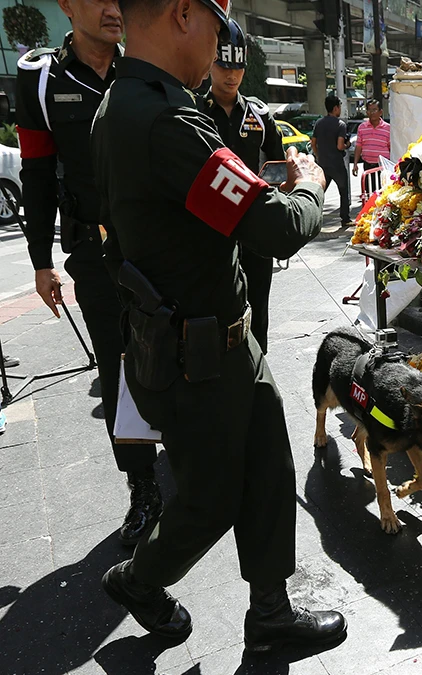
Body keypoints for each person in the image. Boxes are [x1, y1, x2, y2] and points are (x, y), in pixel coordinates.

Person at [92, 0, 345, 652]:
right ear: (183, 14)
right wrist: (312, 184)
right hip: (193, 357)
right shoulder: (165, 120)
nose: (223, 44)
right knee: (207, 501)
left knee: (267, 464)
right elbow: (278, 227)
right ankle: (138, 579)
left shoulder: (127, 103)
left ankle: (270, 615)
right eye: (219, 25)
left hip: (221, 338)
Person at [15, 0, 161, 546]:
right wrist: (40, 261)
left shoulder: (146, 65)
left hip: (157, 245)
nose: (112, 9)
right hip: (95, 252)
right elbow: (36, 176)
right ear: (66, 6)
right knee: (119, 366)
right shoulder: (41, 81)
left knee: (176, 348)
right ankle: (143, 487)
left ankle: (192, 456)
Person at [203, 17, 284, 353]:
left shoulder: (260, 116)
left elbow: (277, 170)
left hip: (252, 235)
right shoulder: (192, 112)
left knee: (258, 314)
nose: (231, 75)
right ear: (210, 61)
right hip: (207, 234)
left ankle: (256, 373)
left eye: (238, 66)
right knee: (213, 314)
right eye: (223, 65)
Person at [312, 94, 351, 226]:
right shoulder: (340, 125)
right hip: (336, 164)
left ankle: (313, 216)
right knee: (343, 190)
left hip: (323, 163)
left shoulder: (319, 123)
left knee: (320, 192)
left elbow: (313, 143)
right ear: (335, 108)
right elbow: (340, 145)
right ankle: (345, 218)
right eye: (339, 107)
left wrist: (318, 156)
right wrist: (347, 145)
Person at [352, 98, 390, 176]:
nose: (372, 113)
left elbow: (391, 148)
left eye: (374, 110)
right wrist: (355, 164)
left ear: (380, 112)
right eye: (369, 110)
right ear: (367, 112)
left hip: (382, 167)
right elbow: (359, 146)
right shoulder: (362, 127)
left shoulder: (388, 128)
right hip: (367, 166)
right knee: (368, 187)